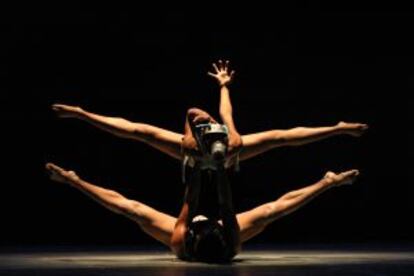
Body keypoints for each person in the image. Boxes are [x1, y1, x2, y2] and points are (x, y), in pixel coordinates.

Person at [46, 60, 367, 262]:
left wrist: (82, 118)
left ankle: (74, 179)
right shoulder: (232, 239)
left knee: (133, 211)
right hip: (211, 155)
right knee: (273, 210)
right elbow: (233, 202)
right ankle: (327, 181)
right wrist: (335, 140)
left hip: (198, 158)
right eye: (209, 130)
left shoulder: (180, 242)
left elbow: (137, 138)